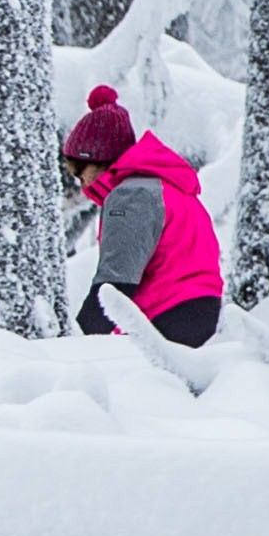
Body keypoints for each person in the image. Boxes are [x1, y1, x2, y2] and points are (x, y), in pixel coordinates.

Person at [61, 85, 222, 348]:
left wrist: (74, 344)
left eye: (81, 170)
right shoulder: (169, 186)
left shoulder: (132, 195)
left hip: (167, 317)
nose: (82, 184)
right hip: (202, 312)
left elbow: (115, 283)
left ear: (101, 158)